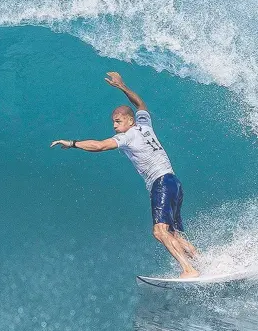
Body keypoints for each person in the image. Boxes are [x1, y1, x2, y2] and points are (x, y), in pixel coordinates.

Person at [50, 72, 199, 278]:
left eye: (117, 121)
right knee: (173, 234)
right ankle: (202, 262)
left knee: (159, 232)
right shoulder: (145, 125)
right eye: (113, 122)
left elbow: (100, 146)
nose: (114, 125)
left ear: (129, 121)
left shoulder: (127, 136)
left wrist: (73, 143)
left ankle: (189, 269)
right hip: (174, 182)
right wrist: (122, 86)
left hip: (161, 183)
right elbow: (140, 104)